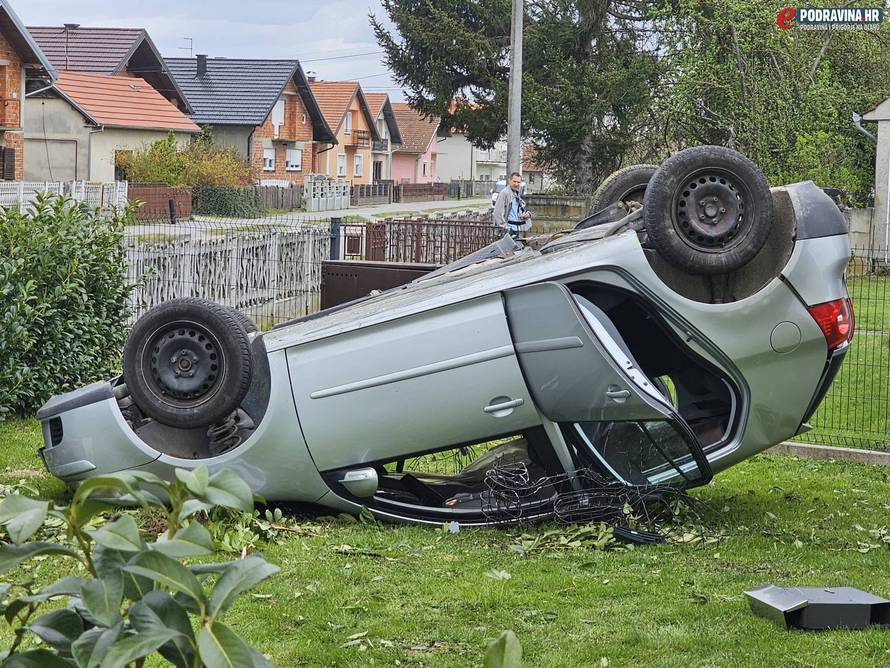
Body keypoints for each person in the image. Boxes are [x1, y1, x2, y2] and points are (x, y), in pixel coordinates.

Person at [492, 171, 531, 239]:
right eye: (514, 181)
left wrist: (525, 215)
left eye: (518, 182)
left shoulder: (516, 193)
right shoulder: (504, 193)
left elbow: (515, 212)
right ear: (509, 181)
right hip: (508, 232)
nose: (516, 184)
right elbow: (497, 213)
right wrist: (506, 228)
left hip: (516, 230)